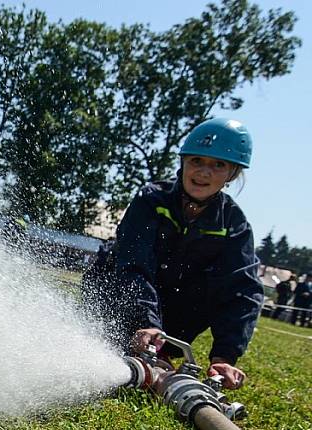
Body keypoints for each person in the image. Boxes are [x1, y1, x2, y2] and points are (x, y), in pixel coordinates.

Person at [82, 118, 263, 390]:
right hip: (119, 302)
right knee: (116, 265)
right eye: (197, 160)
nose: (203, 172)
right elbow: (134, 264)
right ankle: (135, 347)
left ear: (232, 174)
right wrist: (147, 323)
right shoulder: (152, 199)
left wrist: (225, 355)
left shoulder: (234, 225)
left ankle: (158, 354)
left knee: (226, 284)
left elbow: (243, 292)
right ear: (183, 162)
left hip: (171, 324)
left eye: (218, 165)